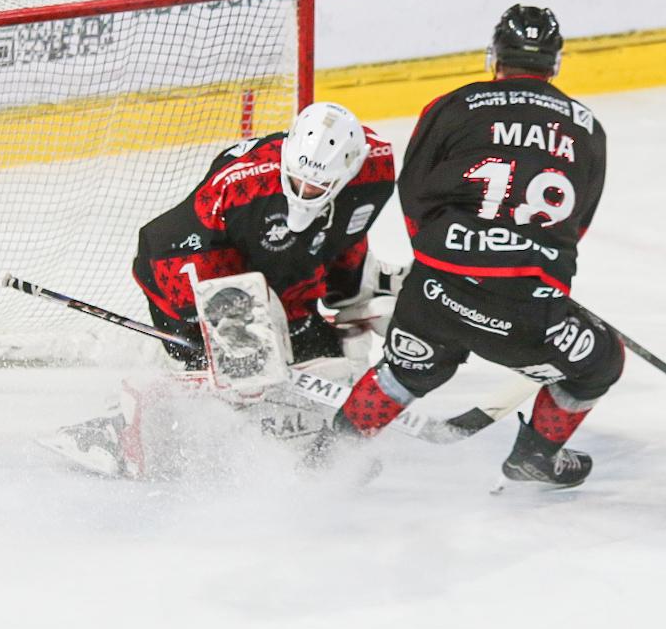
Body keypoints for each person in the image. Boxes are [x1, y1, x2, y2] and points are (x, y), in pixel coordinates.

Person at [307, 5, 623, 489]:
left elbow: (414, 193)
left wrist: (445, 264)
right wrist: (526, 270)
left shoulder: (455, 104)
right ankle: (536, 456)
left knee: (405, 371)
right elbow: (575, 224)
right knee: (602, 361)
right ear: (555, 63)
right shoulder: (587, 128)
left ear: (495, 56)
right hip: (527, 311)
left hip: (436, 292)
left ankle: (329, 457)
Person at [46, 100, 403, 478]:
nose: (306, 189)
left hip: (271, 282)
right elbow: (175, 254)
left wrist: (350, 295)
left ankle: (298, 437)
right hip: (182, 273)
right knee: (242, 379)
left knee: (320, 363)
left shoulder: (375, 167)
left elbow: (342, 236)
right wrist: (229, 338)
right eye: (298, 178)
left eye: (319, 184)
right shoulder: (239, 186)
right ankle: (120, 432)